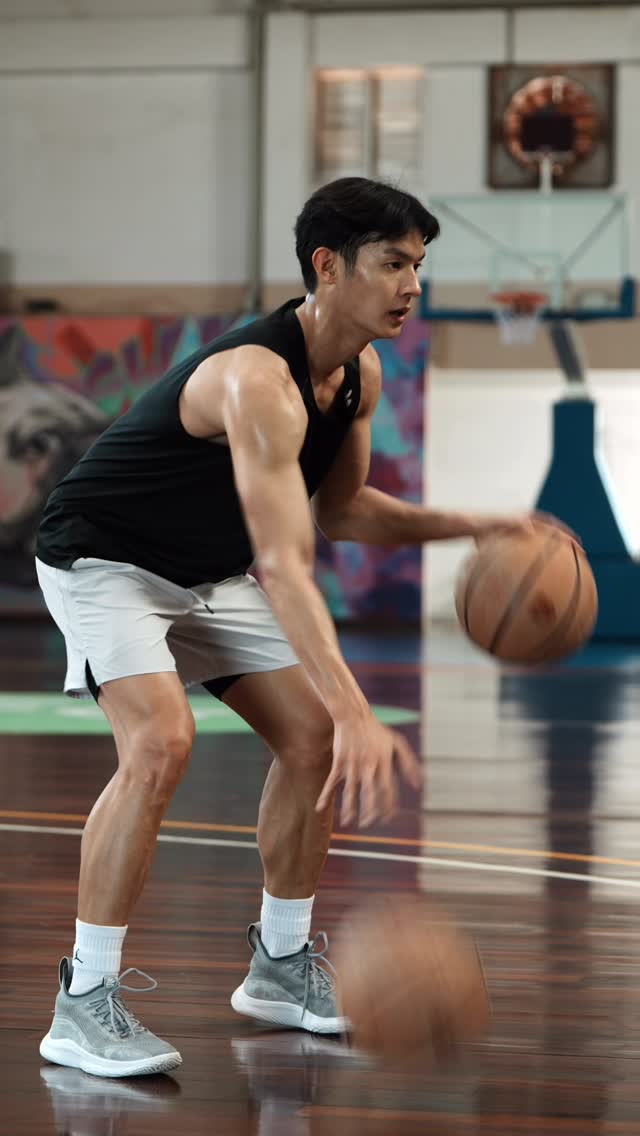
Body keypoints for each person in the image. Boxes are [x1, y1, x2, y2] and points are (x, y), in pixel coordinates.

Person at [35, 176, 543, 1079]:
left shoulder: (357, 376)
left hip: (203, 572)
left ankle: (279, 965)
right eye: (392, 263)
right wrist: (358, 707)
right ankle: (83, 1000)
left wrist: (480, 523)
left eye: (418, 265)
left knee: (311, 740)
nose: (411, 285)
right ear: (327, 265)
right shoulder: (257, 380)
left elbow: (343, 511)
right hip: (103, 558)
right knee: (160, 742)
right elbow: (286, 563)